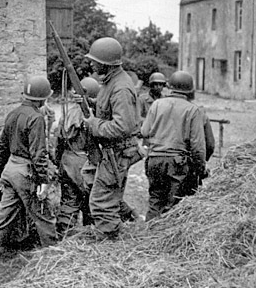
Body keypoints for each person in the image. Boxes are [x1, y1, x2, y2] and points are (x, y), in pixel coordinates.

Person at [0, 76, 57, 273]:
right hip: (25, 171)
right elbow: (39, 153)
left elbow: (2, 147)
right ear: (43, 98)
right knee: (43, 214)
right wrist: (44, 181)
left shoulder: (13, 114)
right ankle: (55, 258)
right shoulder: (36, 118)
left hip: (11, 169)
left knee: (4, 214)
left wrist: (2, 172)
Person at [82, 37, 141, 240]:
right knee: (105, 197)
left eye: (94, 61)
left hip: (117, 152)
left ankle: (108, 242)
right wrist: (90, 103)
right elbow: (108, 108)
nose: (91, 64)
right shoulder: (112, 82)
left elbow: (121, 126)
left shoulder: (120, 87)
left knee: (101, 202)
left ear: (106, 63)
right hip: (113, 151)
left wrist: (93, 124)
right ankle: (113, 232)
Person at [141, 71, 206, 221]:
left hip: (154, 159)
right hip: (176, 163)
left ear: (170, 87)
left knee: (155, 200)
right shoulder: (192, 110)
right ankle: (166, 240)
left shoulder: (157, 104)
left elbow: (144, 131)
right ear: (190, 90)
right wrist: (200, 168)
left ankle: (148, 238)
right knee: (174, 204)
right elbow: (198, 146)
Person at [55, 77, 100, 237]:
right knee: (90, 200)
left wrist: (58, 161)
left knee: (69, 200)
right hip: (83, 162)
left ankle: (64, 235)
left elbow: (58, 141)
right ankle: (90, 233)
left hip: (67, 160)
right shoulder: (89, 116)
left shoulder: (67, 112)